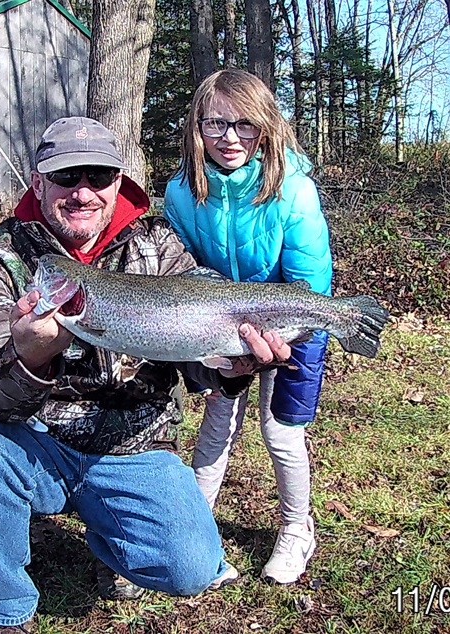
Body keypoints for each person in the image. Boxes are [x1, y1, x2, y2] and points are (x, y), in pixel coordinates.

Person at [0, 116, 292, 633]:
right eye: (66, 177)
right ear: (38, 182)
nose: (83, 192)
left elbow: (197, 364)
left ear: (118, 182)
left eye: (98, 176)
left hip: (135, 442)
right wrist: (30, 357)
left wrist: (234, 366)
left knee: (191, 568)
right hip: (32, 439)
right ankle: (6, 606)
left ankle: (110, 535)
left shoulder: (159, 245)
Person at [164, 69, 333, 584]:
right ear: (197, 127)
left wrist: (279, 340)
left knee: (281, 432)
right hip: (216, 327)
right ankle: (195, 527)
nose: (230, 138)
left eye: (244, 124)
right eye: (215, 124)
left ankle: (296, 529)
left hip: (292, 327)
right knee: (216, 424)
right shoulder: (180, 193)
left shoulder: (294, 190)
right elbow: (180, 271)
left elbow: (310, 283)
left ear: (265, 126)